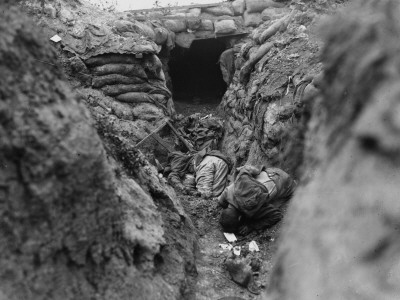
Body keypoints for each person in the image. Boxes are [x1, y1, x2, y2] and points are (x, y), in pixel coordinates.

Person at [218, 165, 296, 235]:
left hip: (285, 181)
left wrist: (251, 226)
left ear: (240, 218)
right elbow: (221, 202)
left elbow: (277, 215)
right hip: (270, 170)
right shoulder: (228, 192)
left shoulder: (253, 208)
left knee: (276, 204)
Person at [166, 148, 231, 198]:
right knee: (214, 194)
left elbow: (204, 193)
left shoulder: (202, 165)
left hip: (208, 164)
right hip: (221, 163)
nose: (192, 172)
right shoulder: (193, 157)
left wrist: (186, 190)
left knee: (204, 194)